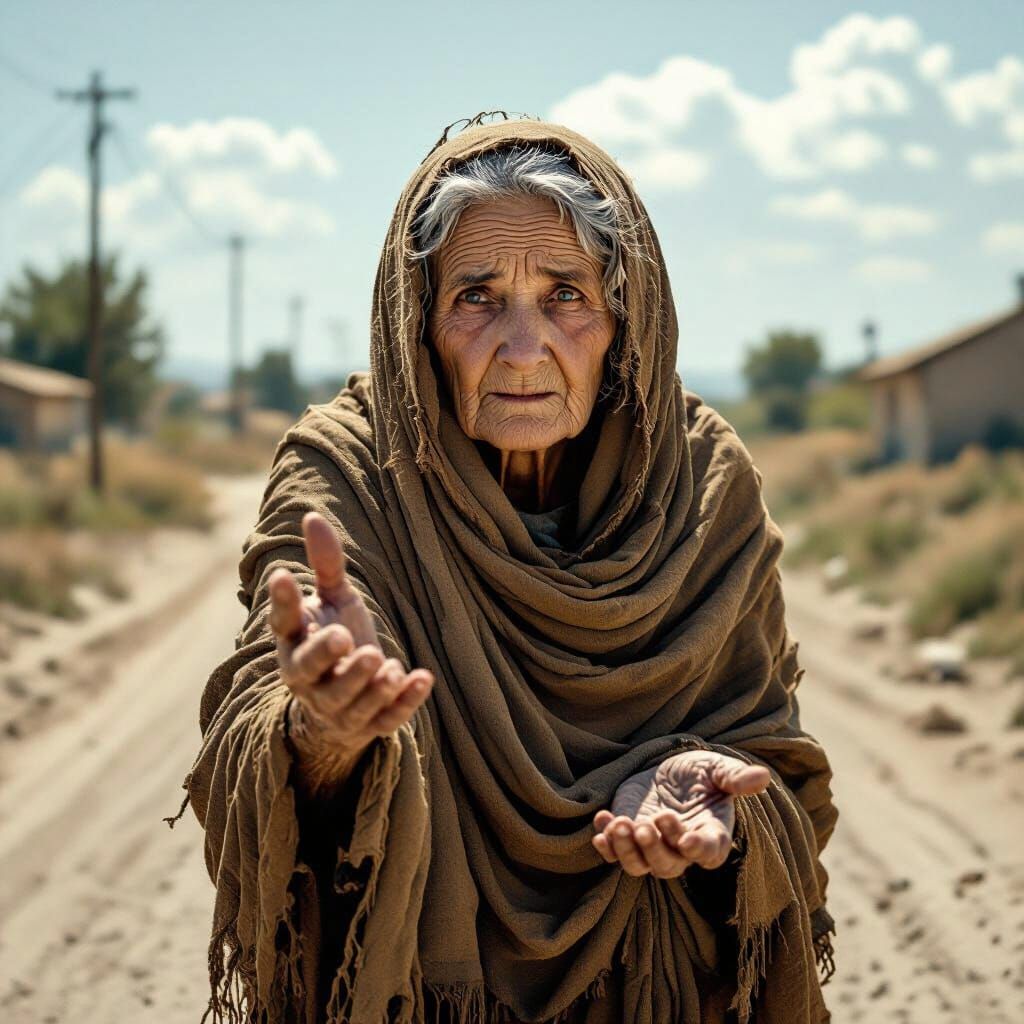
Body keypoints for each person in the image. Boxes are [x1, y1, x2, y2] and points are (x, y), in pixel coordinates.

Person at [178, 115, 838, 1024]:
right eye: (477, 296)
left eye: (566, 294)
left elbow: (776, 757)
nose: (523, 350)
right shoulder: (346, 472)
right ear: (419, 323)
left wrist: (704, 785)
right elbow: (258, 738)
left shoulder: (701, 483)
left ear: (624, 318)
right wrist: (325, 729)